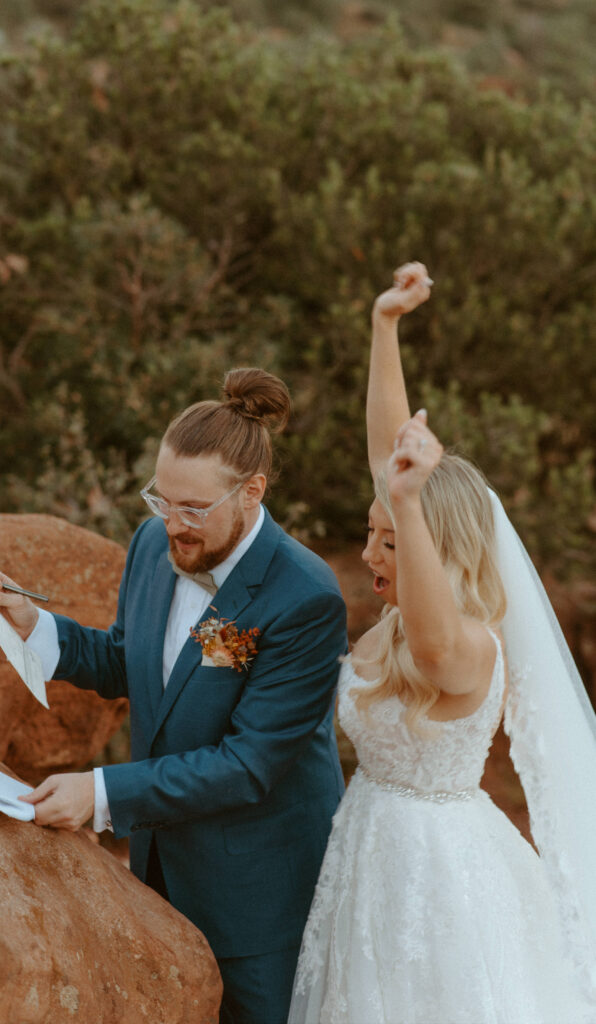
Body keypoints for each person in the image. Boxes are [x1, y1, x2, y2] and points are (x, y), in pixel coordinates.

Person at [0, 367, 347, 1024]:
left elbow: (247, 766)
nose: (173, 524)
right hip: (159, 873)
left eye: (193, 509)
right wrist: (36, 627)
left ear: (252, 492)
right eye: (162, 500)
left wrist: (100, 794)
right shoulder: (153, 544)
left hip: (257, 900)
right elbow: (135, 662)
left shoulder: (306, 598)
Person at [287, 263, 596, 1023]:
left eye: (388, 541)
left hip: (439, 885)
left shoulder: (464, 647)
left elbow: (428, 649)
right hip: (371, 853)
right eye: (371, 534)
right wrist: (384, 327)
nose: (368, 554)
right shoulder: (402, 611)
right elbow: (385, 450)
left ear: (439, 545)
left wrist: (406, 506)